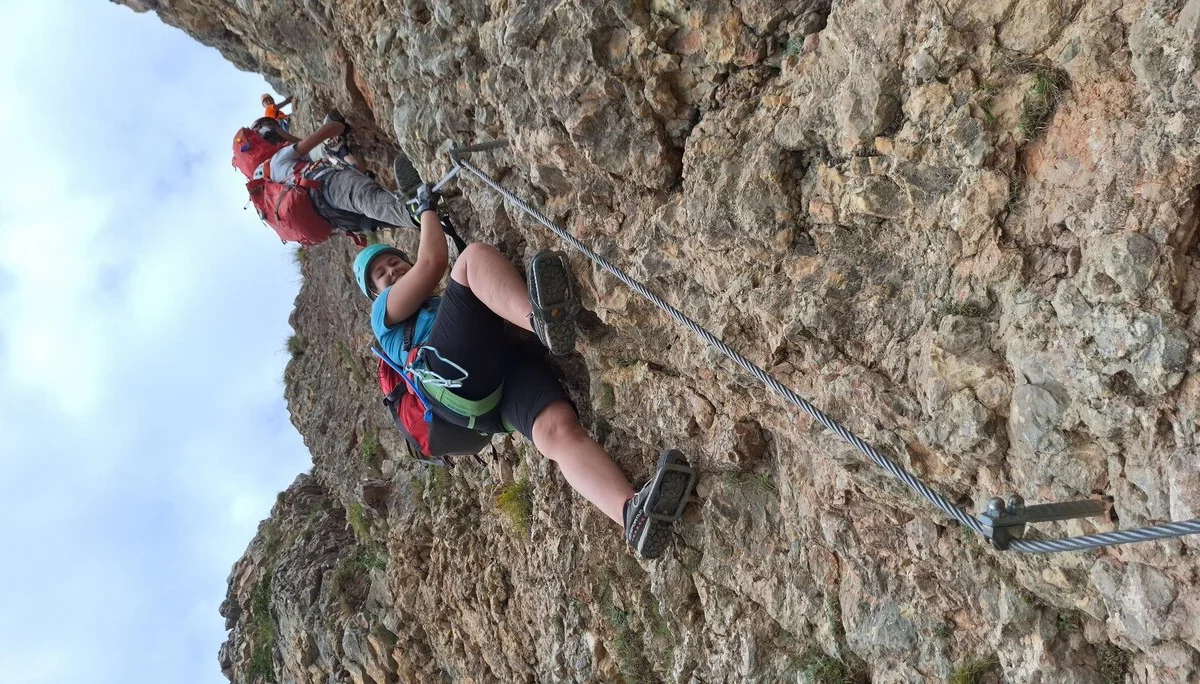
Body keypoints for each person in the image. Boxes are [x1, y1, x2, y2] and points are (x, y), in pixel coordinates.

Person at [352, 186, 695, 559]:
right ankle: (539, 322)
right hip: (450, 375)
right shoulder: (382, 315)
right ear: (376, 294)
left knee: (557, 430)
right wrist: (426, 210)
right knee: (472, 259)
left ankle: (630, 515)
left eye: (394, 262)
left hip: (485, 394)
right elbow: (433, 261)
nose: (392, 271)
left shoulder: (437, 308)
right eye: (382, 275)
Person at [253, 116, 409, 230]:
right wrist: (338, 127)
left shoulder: (276, 198)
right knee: (374, 202)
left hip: (338, 220)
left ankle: (424, 213)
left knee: (393, 216)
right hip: (327, 187)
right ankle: (419, 209)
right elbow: (330, 129)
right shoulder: (276, 161)